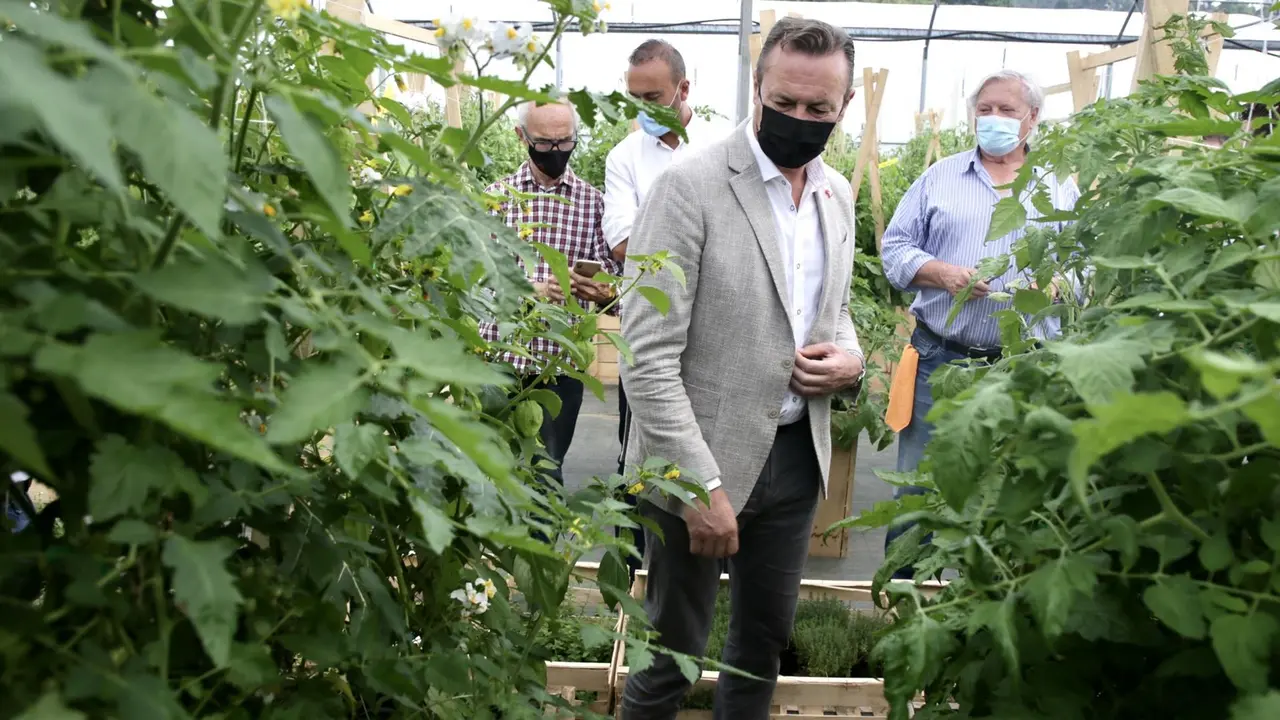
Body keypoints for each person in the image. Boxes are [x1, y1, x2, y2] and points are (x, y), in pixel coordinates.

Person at [619, 18, 864, 719]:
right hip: (695, 459)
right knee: (672, 654)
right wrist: (701, 485)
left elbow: (833, 312)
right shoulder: (690, 187)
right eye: (784, 102)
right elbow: (646, 355)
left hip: (792, 456)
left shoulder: (835, 194)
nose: (800, 120)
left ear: (843, 108)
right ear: (756, 88)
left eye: (819, 110)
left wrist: (848, 357)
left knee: (760, 648)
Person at [879, 70, 1080, 575]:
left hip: (1023, 366)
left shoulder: (1057, 185)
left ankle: (982, 600)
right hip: (940, 360)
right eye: (985, 109)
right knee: (919, 486)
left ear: (1032, 119)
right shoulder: (941, 177)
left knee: (1009, 488)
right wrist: (941, 272)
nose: (993, 119)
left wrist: (1055, 284)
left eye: (1007, 111)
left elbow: (1085, 262)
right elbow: (895, 249)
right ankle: (902, 603)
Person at [603, 39, 710, 577]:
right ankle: (637, 562)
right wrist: (706, 251)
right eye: (634, 97)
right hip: (647, 326)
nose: (643, 108)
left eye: (654, 96)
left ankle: (705, 551)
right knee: (639, 447)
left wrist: (661, 243)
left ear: (684, 90)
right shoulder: (624, 158)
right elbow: (623, 244)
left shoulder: (723, 146)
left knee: (712, 437)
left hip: (714, 330)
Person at [478, 99, 619, 488]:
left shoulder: (593, 203)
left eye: (565, 142)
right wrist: (535, 289)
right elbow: (472, 283)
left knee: (545, 471)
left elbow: (615, 286)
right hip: (497, 357)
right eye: (544, 144)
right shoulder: (496, 199)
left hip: (559, 365)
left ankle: (539, 549)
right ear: (521, 136)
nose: (556, 152)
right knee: (490, 468)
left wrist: (601, 290)